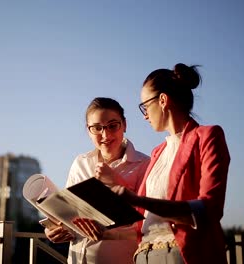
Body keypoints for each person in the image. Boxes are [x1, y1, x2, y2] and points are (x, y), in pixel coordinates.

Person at [74, 63, 230, 264]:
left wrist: (137, 200)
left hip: (181, 254)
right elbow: (145, 224)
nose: (145, 115)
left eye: (145, 106)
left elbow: (209, 210)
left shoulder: (208, 136)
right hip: (144, 256)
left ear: (163, 100)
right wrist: (105, 233)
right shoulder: (158, 152)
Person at [44, 97, 150, 264]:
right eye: (97, 128)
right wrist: (56, 230)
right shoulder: (80, 162)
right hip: (77, 258)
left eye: (113, 126)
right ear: (88, 130)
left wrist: (117, 182)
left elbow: (148, 219)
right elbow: (70, 212)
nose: (105, 135)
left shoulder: (145, 164)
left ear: (124, 124)